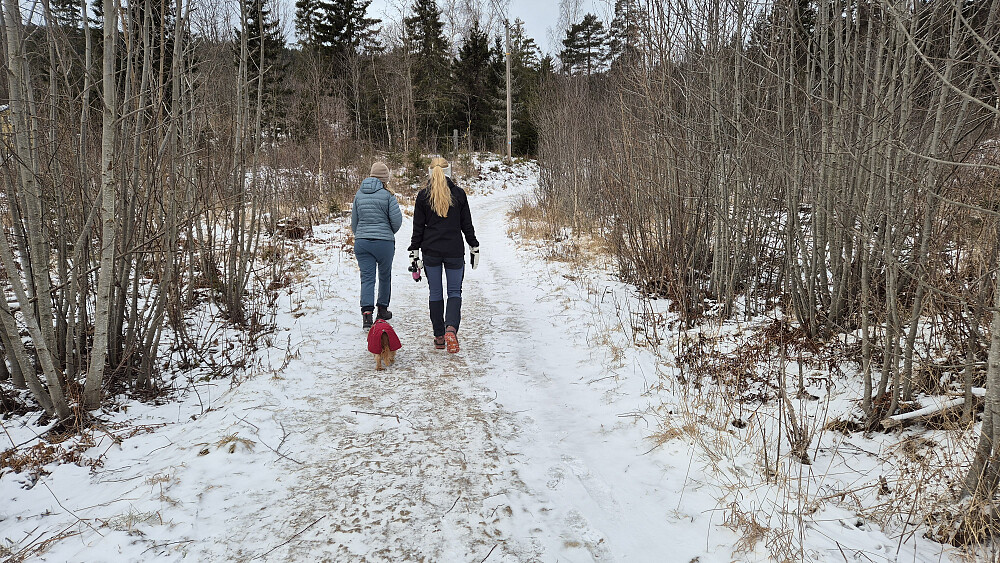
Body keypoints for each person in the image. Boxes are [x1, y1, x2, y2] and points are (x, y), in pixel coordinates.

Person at [409, 157, 480, 353]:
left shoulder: (423, 196)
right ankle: (451, 328)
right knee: (454, 292)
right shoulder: (459, 194)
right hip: (454, 250)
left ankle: (439, 337)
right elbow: (467, 225)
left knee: (435, 293)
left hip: (430, 250)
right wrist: (474, 245)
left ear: (430, 173)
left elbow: (418, 228)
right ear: (449, 172)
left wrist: (414, 250)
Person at [351, 161, 402, 330]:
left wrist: (361, 234)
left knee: (367, 278)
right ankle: (382, 309)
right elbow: (397, 221)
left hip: (362, 242)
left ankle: (367, 315)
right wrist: (387, 232)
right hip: (384, 243)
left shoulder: (359, 194)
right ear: (385, 178)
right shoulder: (388, 195)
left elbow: (354, 222)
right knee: (384, 275)